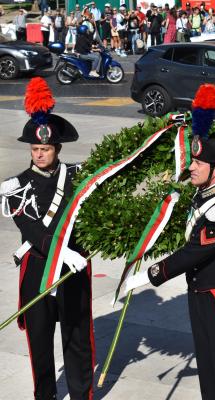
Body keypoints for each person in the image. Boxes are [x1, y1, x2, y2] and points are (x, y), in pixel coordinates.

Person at [125, 84, 215, 399]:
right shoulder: (205, 193)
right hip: (201, 294)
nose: (190, 167)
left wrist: (150, 274)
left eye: (198, 163)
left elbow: (196, 250)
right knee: (209, 370)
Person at [0, 77, 94, 400]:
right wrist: (60, 251)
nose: (40, 154)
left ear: (57, 149)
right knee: (40, 345)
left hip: (71, 274)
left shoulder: (77, 177)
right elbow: (31, 230)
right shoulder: (15, 187)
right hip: (39, 272)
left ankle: (82, 395)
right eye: (35, 149)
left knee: (77, 339)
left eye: (46, 149)